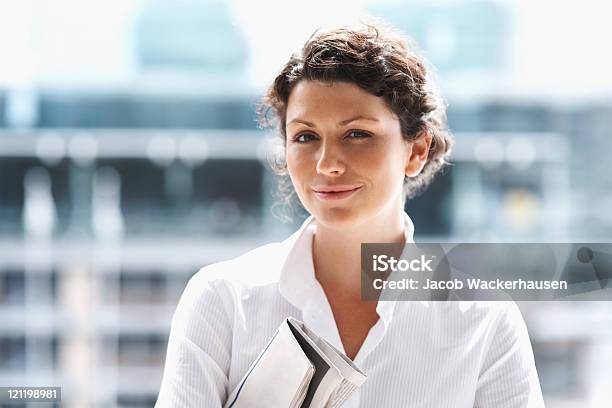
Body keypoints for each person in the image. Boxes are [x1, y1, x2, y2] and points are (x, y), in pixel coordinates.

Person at [156, 22, 544, 407]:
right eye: (306, 137)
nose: (327, 164)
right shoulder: (224, 300)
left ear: (416, 151)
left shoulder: (485, 321)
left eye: (357, 134)